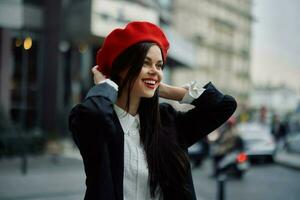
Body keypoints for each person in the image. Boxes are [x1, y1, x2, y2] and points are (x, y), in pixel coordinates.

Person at [69, 21, 237, 200]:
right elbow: (92, 114)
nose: (155, 71)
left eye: (159, 65)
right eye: (146, 63)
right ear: (122, 68)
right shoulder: (98, 122)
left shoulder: (168, 122)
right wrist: (106, 85)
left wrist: (170, 91)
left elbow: (224, 106)